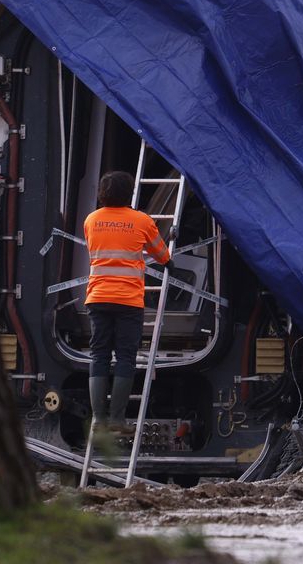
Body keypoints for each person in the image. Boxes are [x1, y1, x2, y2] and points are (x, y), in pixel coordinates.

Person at [84, 171, 171, 438]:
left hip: (97, 297)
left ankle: (98, 419)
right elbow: (162, 255)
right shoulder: (141, 220)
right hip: (128, 300)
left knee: (99, 356)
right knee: (125, 357)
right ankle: (117, 420)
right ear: (130, 192)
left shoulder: (91, 220)